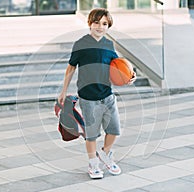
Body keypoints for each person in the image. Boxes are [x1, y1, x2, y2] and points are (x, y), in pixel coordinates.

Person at [58, 8, 136, 179]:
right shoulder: (81, 44)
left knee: (114, 130)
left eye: (104, 24)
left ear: (108, 26)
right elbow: (71, 68)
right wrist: (63, 91)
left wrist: (130, 76)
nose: (100, 27)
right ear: (90, 24)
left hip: (107, 95)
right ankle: (93, 165)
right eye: (96, 23)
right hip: (88, 98)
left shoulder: (109, 44)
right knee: (92, 134)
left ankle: (105, 154)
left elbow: (118, 66)